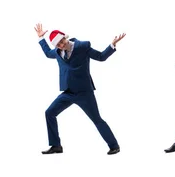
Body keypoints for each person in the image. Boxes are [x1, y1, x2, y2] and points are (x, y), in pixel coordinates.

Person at [34, 23, 126, 155]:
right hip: (68, 92)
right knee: (49, 113)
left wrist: (112, 45)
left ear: (65, 37)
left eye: (62, 41)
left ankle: (114, 145)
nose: (61, 45)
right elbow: (48, 53)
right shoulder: (57, 52)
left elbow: (101, 57)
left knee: (97, 119)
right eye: (58, 44)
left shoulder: (83, 47)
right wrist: (41, 39)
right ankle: (56, 146)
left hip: (84, 92)